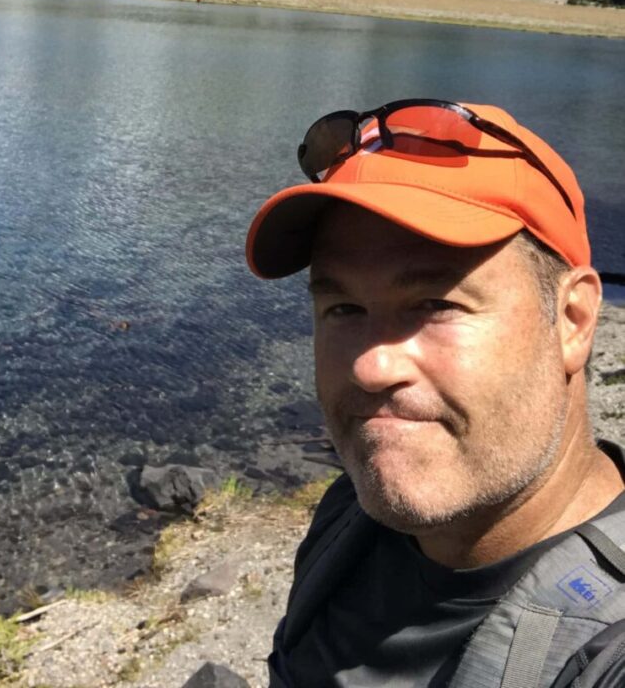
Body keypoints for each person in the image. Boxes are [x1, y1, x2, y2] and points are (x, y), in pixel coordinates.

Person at [245, 99, 625, 687]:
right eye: (344, 307)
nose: (372, 367)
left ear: (572, 320)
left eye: (436, 304)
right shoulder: (349, 519)